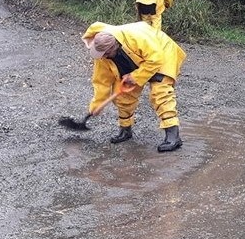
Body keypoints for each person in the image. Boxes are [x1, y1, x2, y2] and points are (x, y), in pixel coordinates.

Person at [77, 21, 186, 151]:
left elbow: (156, 59)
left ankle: (173, 136)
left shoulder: (137, 38)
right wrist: (96, 105)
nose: (103, 58)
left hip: (161, 53)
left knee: (160, 93)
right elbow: (101, 82)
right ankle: (125, 130)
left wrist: (136, 77)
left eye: (106, 54)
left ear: (114, 47)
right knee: (123, 97)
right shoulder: (103, 56)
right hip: (137, 60)